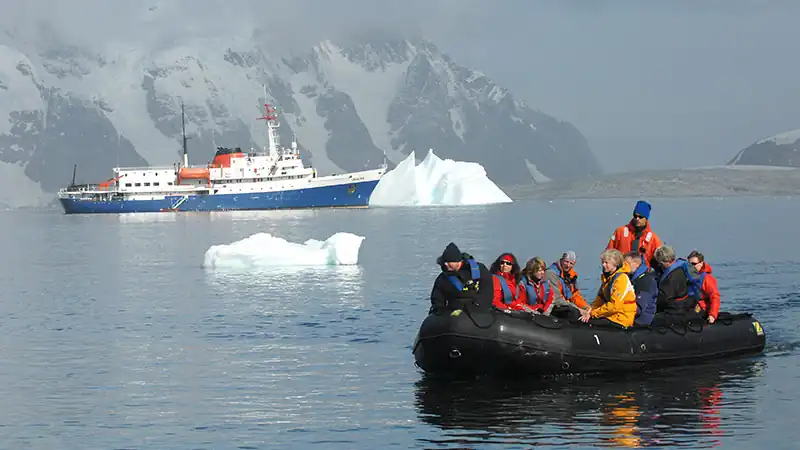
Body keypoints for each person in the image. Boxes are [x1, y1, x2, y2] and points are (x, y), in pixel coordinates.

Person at [429, 242, 494, 314]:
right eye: (444, 262)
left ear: (458, 261)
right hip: (454, 311)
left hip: (478, 309)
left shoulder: (479, 271)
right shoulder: (443, 278)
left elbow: (487, 291)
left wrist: (478, 307)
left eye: (449, 262)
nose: (445, 264)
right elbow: (437, 299)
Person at [580, 249, 637, 328]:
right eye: (603, 262)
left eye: (606, 263)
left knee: (591, 324)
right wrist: (589, 311)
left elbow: (614, 306)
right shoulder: (607, 279)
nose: (603, 265)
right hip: (611, 315)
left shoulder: (621, 279)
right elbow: (599, 299)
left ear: (615, 264)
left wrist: (593, 313)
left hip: (621, 318)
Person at [606, 200, 663, 268]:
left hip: (641, 275)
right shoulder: (620, 232)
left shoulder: (653, 239)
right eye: (635, 216)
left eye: (640, 217)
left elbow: (660, 260)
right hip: (621, 273)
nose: (637, 219)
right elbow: (608, 254)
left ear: (646, 218)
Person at [546, 251, 589, 320]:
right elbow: (557, 299)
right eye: (566, 262)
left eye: (571, 263)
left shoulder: (571, 275)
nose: (568, 265)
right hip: (554, 305)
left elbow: (575, 295)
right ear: (561, 260)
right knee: (574, 312)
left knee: (588, 311)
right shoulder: (551, 273)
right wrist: (578, 309)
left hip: (566, 304)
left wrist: (586, 308)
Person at [653, 245, 695, 315]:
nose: (659, 265)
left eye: (660, 263)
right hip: (684, 304)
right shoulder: (681, 268)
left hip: (674, 309)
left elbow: (664, 298)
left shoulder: (672, 277)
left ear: (666, 262)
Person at [623, 251, 658, 326]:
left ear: (636, 263)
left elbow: (640, 307)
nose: (624, 266)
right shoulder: (630, 279)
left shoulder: (646, 281)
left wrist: (621, 311)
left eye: (627, 263)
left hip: (641, 320)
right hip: (630, 316)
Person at [687, 250, 721, 324]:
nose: (690, 267)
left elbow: (715, 297)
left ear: (701, 264)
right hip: (688, 305)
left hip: (701, 308)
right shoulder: (686, 276)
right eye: (689, 264)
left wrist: (712, 315)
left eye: (693, 264)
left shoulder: (707, 278)